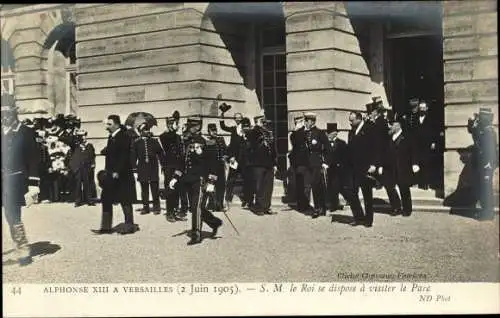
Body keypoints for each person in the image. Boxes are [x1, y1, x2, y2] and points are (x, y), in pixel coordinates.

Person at [169, 116, 222, 245]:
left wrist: (211, 182)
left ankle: (196, 234)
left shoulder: (207, 143)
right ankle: (214, 222)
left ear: (198, 127)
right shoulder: (186, 141)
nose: (188, 128)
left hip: (200, 179)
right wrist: (175, 178)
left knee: (196, 206)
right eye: (189, 125)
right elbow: (182, 162)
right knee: (194, 207)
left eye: (191, 126)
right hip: (188, 179)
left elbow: (213, 164)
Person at [1, 94, 40, 265]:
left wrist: (33, 184)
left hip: (15, 181)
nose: (4, 117)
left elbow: (33, 159)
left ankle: (23, 248)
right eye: (2, 114)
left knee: (12, 215)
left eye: (7, 113)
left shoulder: (25, 132)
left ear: (15, 113)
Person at [92, 115, 138, 235]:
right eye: (107, 124)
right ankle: (106, 227)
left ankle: (129, 226)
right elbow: (113, 151)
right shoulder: (111, 137)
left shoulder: (124, 136)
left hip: (122, 175)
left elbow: (124, 156)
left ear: (116, 124)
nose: (106, 127)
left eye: (109, 124)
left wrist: (117, 171)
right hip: (110, 173)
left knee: (125, 200)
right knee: (106, 199)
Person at [378, 116, 420, 217]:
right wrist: (380, 165)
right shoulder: (388, 137)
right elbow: (383, 153)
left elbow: (413, 151)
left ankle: (407, 209)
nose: (389, 126)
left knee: (404, 188)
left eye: (391, 124)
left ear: (397, 125)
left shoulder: (406, 137)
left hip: (402, 167)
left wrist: (415, 163)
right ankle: (396, 207)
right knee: (389, 187)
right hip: (389, 167)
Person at [347, 111, 378, 227]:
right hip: (353, 168)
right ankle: (358, 217)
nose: (350, 123)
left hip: (366, 167)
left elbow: (375, 148)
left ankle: (368, 220)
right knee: (351, 193)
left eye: (352, 120)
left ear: (359, 119)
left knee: (367, 195)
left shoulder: (369, 129)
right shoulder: (351, 132)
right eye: (350, 120)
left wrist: (374, 164)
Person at [468, 108, 498, 220]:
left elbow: (490, 151)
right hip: (484, 164)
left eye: (481, 117)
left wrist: (489, 164)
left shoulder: (489, 132)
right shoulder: (484, 130)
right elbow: (474, 134)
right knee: (483, 188)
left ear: (485, 118)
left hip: (487, 165)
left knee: (487, 189)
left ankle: (488, 213)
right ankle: (485, 211)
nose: (479, 119)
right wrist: (473, 124)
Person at [247, 113, 278, 215]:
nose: (264, 122)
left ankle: (266, 206)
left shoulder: (268, 132)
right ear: (257, 121)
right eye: (262, 120)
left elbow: (273, 149)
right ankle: (259, 208)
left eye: (264, 120)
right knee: (259, 187)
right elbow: (251, 141)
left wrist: (275, 163)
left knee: (268, 186)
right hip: (258, 164)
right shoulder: (253, 132)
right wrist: (257, 126)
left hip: (269, 164)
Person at [159, 113, 187, 222]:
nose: (173, 125)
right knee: (170, 189)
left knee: (179, 189)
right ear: (167, 125)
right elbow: (168, 139)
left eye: (174, 123)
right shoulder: (164, 136)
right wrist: (173, 130)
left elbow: (181, 152)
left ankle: (176, 211)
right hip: (169, 168)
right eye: (170, 123)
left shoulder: (178, 137)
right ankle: (169, 212)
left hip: (178, 167)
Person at [302, 112, 331, 218]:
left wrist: (325, 163)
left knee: (317, 185)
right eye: (305, 120)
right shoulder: (305, 133)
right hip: (307, 163)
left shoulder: (319, 133)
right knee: (312, 185)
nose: (305, 123)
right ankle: (319, 207)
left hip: (317, 163)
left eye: (307, 121)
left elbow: (328, 148)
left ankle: (318, 208)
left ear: (313, 121)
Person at [132, 123, 165, 215]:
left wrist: (163, 165)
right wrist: (134, 168)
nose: (147, 131)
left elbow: (161, 153)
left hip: (153, 167)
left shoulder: (154, 141)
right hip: (142, 168)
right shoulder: (136, 142)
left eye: (148, 129)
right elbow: (133, 156)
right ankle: (145, 207)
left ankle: (156, 207)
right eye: (145, 130)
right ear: (141, 132)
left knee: (155, 188)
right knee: (144, 189)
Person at [225, 117, 253, 207]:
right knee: (231, 179)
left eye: (247, 127)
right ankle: (227, 198)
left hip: (246, 162)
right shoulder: (236, 134)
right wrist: (231, 156)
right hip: (235, 160)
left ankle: (247, 200)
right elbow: (232, 146)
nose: (245, 128)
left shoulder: (251, 136)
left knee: (247, 181)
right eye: (244, 127)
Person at [413, 101, 437, 190]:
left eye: (423, 108)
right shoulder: (415, 118)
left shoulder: (431, 119)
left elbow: (434, 131)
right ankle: (419, 182)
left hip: (427, 144)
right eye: (420, 108)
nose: (422, 109)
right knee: (417, 163)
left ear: (427, 108)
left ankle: (426, 183)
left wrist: (433, 142)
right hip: (417, 145)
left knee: (426, 163)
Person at [69, 129, 96, 207]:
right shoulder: (75, 145)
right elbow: (70, 141)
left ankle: (89, 199)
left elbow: (93, 155)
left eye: (84, 135)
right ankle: (78, 200)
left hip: (87, 167)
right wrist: (74, 135)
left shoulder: (89, 145)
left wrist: (93, 163)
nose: (83, 138)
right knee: (77, 184)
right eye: (81, 136)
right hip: (78, 167)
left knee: (88, 183)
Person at [325, 123, 348, 212]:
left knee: (339, 186)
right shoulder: (325, 143)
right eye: (328, 133)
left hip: (339, 169)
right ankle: (334, 204)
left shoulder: (342, 143)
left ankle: (346, 200)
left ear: (335, 133)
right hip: (330, 169)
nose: (328, 135)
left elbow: (345, 157)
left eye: (329, 133)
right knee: (331, 187)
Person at [204, 123, 228, 211]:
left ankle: (220, 204)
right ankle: (211, 204)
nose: (214, 132)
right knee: (211, 186)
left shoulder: (221, 139)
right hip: (212, 168)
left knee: (221, 186)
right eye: (212, 130)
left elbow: (225, 150)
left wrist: (225, 156)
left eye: (215, 130)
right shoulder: (207, 141)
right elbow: (206, 156)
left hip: (220, 167)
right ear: (208, 132)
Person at [289, 113, 308, 211]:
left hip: (304, 162)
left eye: (299, 120)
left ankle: (304, 204)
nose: (297, 122)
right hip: (299, 163)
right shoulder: (295, 133)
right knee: (301, 184)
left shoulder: (303, 132)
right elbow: (295, 141)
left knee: (304, 184)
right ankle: (302, 204)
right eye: (296, 121)